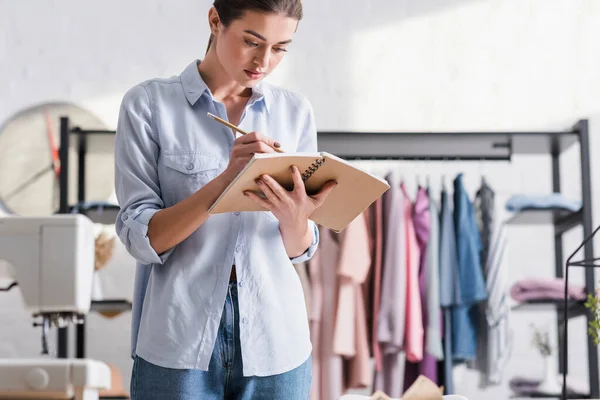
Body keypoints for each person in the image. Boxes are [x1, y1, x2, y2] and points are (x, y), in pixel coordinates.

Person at [113, 0, 337, 399]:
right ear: (215, 21)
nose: (264, 60)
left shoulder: (294, 111)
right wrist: (225, 181)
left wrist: (296, 219)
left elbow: (301, 249)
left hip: (276, 343)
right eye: (252, 41)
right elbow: (142, 239)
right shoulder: (149, 105)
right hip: (178, 339)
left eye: (280, 47)